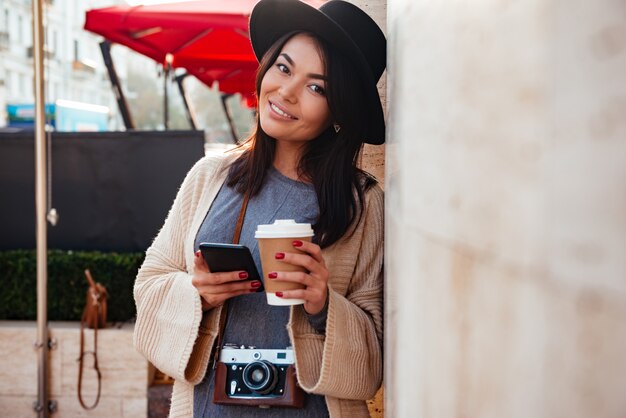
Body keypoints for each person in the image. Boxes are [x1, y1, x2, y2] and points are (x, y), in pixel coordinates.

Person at [133, 0, 386, 416]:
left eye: (316, 86)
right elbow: (150, 284)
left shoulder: (363, 204)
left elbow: (373, 358)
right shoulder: (210, 176)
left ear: (339, 110)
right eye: (284, 68)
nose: (286, 91)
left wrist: (323, 304)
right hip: (207, 407)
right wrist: (196, 293)